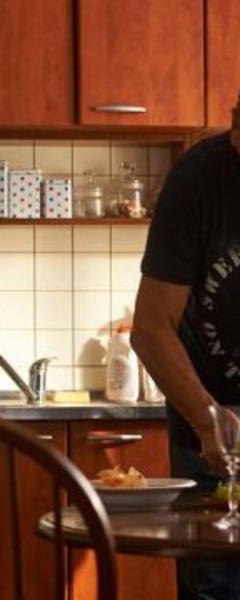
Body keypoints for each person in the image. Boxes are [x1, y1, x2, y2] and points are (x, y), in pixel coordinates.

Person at [132, 100, 240, 599]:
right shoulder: (197, 182)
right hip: (210, 424)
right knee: (214, 585)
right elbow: (151, 328)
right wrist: (207, 418)